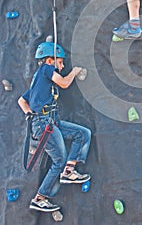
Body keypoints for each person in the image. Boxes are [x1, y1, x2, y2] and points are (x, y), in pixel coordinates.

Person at [18, 41, 92, 213]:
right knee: (58, 160)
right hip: (44, 124)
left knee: (83, 134)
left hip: (51, 122)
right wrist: (74, 71)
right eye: (61, 62)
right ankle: (40, 198)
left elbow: (22, 101)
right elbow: (65, 83)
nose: (63, 65)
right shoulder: (45, 69)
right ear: (50, 60)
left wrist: (30, 114)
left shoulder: (39, 82)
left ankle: (69, 171)